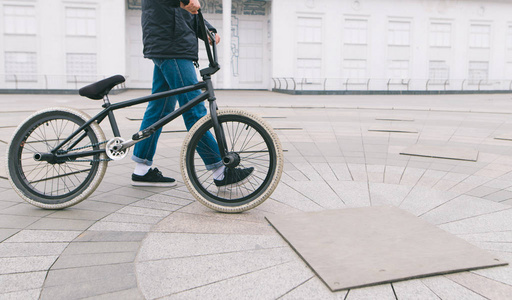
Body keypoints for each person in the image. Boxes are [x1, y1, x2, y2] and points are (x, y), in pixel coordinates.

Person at [131, 0, 254, 188]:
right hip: (172, 47)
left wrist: (207, 30)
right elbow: (185, 7)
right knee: (194, 108)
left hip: (168, 45)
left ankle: (141, 168)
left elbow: (186, 14)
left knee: (160, 107)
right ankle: (220, 171)